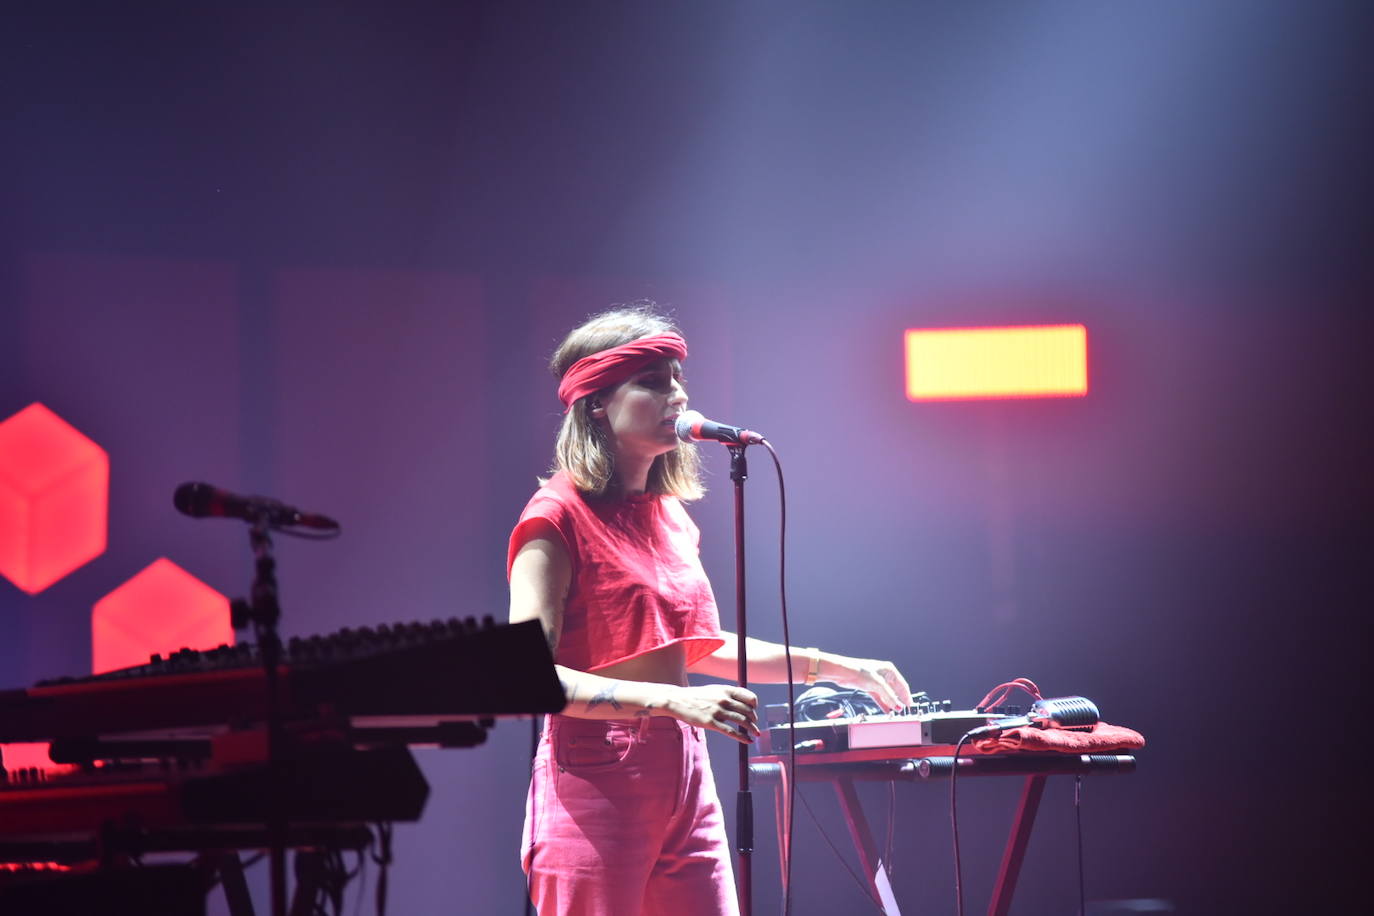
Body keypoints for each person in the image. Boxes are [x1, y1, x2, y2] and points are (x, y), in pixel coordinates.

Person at [508, 304, 913, 916]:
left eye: (677, 377)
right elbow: (526, 678)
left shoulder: (669, 516)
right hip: (595, 772)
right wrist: (674, 700)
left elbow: (700, 645)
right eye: (652, 380)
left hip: (685, 766)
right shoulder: (553, 518)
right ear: (595, 402)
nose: (676, 394)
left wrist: (838, 667)